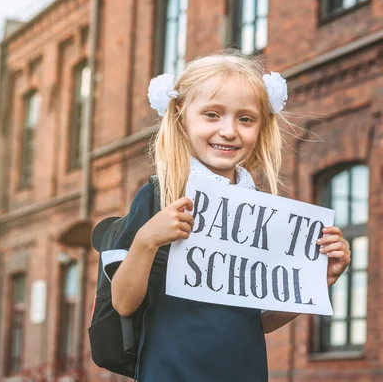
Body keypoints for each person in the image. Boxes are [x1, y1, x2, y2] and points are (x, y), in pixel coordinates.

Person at [102, 51, 351, 381]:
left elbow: (256, 322)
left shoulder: (261, 211)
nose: (229, 130)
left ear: (261, 127)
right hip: (170, 372)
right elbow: (123, 302)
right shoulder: (159, 196)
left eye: (245, 119)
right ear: (180, 118)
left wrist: (319, 281)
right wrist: (147, 241)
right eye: (212, 115)